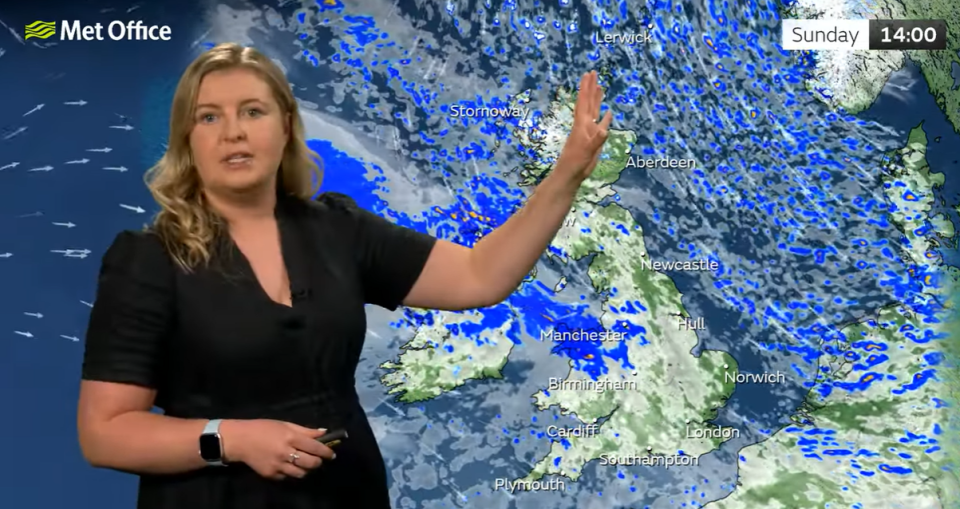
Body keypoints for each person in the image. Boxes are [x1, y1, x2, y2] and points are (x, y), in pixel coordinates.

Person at [77, 42, 613, 509]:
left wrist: (565, 175)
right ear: (186, 140)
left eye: (253, 111)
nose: (233, 132)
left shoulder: (338, 230)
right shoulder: (148, 260)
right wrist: (231, 439)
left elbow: (479, 276)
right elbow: (105, 434)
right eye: (209, 117)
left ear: (285, 125)